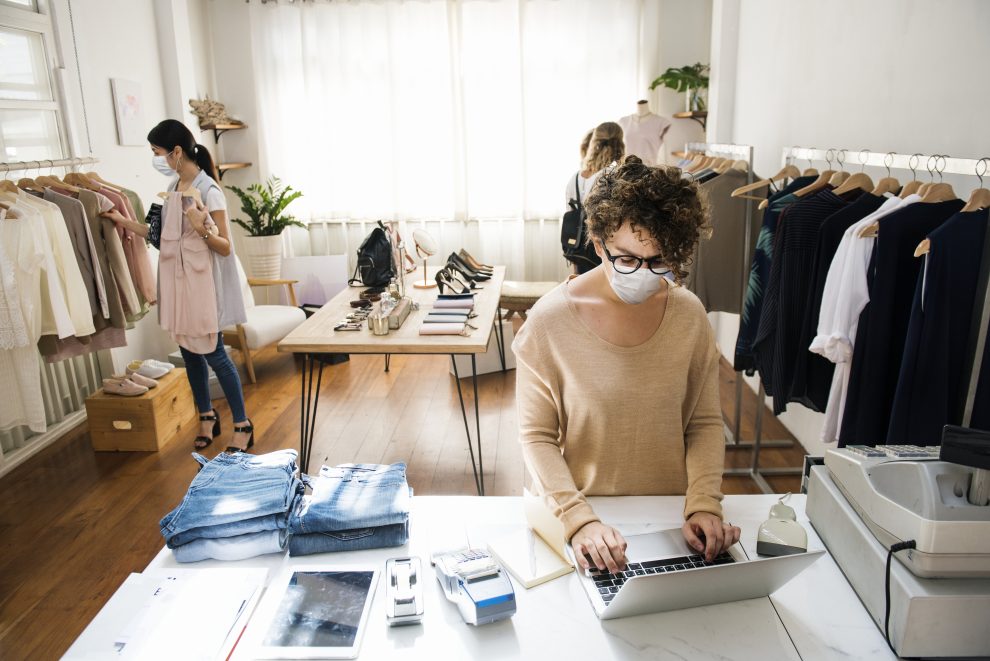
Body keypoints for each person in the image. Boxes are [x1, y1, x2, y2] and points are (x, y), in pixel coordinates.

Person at [515, 155, 739, 575]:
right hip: (584, 518)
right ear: (598, 244)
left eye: (659, 262)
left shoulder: (688, 316)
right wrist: (577, 520)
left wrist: (704, 504)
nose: (643, 274)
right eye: (627, 259)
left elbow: (704, 422)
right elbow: (537, 436)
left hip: (673, 520)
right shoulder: (548, 323)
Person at [101, 119, 254, 453]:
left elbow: (226, 247)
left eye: (157, 152)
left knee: (214, 354)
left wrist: (202, 229)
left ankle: (242, 423)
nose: (157, 158)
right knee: (189, 352)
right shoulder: (172, 189)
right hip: (178, 285)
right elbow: (159, 237)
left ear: (176, 151)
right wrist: (123, 222)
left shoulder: (209, 190)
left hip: (203, 288)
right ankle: (206, 416)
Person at [563, 122, 625, 274]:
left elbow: (571, 212)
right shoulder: (612, 174)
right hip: (602, 249)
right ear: (620, 144)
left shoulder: (576, 177)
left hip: (577, 247)